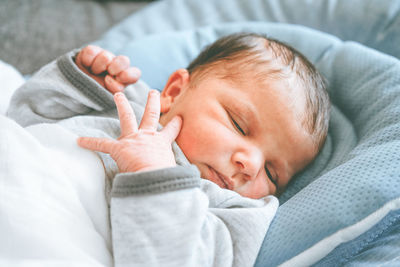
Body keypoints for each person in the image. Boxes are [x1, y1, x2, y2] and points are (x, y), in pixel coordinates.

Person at [7, 32, 330, 266]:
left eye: (273, 173)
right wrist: (77, 80)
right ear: (174, 91)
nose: (250, 163)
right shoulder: (124, 103)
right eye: (239, 125)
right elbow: (25, 118)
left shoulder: (231, 210)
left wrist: (154, 175)